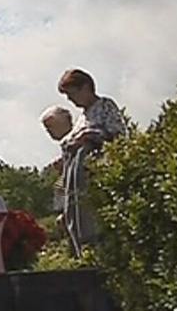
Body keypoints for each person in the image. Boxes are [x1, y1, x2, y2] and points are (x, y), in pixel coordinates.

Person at [55, 68, 125, 256]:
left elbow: (118, 135)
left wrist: (90, 137)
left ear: (86, 87)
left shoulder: (105, 106)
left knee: (96, 222)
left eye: (72, 93)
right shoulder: (81, 118)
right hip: (76, 179)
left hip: (96, 176)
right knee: (78, 218)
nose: (71, 100)